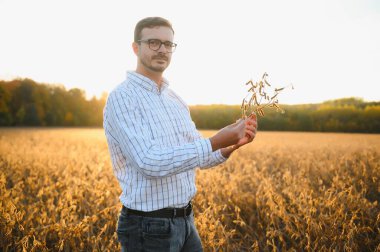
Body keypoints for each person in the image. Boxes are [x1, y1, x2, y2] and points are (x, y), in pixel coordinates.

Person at [103, 16, 258, 252]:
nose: (162, 49)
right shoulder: (122, 97)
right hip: (148, 226)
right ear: (136, 48)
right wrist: (217, 139)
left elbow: (200, 155)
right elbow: (149, 162)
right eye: (154, 42)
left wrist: (232, 144)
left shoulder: (175, 100)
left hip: (185, 221)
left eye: (168, 44)